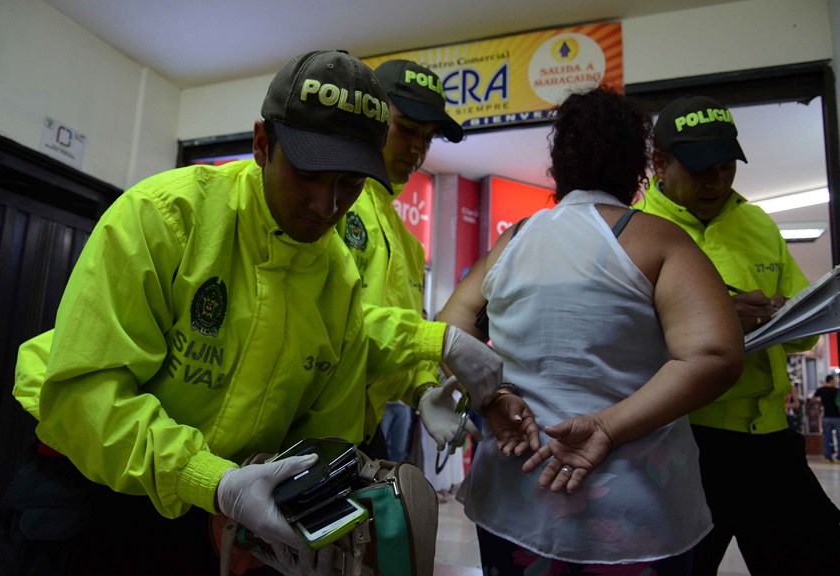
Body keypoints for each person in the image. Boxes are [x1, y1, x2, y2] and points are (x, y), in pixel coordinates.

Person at [0, 50, 500, 576]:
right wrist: (210, 479)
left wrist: (303, 509)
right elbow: (84, 391)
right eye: (308, 174)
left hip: (216, 507)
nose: (326, 205)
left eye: (349, 183)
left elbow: (321, 441)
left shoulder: (339, 283)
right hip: (87, 488)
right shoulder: (165, 218)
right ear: (262, 144)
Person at [437, 85, 745, 575]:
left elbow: (450, 327)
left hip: (516, 499)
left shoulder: (514, 240)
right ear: (638, 168)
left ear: (559, 165)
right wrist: (605, 426)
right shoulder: (661, 241)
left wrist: (495, 396)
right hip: (634, 508)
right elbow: (715, 355)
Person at [635, 94, 840, 575]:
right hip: (683, 443)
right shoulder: (635, 231)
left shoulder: (756, 222)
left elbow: (802, 337)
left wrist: (789, 316)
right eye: (701, 169)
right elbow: (620, 343)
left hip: (769, 437)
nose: (717, 182)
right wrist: (717, 318)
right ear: (660, 163)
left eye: (726, 167)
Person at [337, 59, 466, 462]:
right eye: (407, 129)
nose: (417, 149)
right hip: (299, 429)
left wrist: (424, 388)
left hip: (362, 431)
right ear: (371, 115)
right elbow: (332, 321)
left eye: (427, 138)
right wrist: (434, 338)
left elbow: (396, 344)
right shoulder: (329, 205)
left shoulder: (409, 246)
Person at [812, 373, 840, 462]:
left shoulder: (821, 390)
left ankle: (828, 457)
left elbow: (812, 399)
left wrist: (820, 402)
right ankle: (839, 457)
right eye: (834, 380)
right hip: (837, 417)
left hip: (826, 416)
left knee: (827, 438)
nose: (835, 382)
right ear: (831, 381)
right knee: (839, 437)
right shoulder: (837, 391)